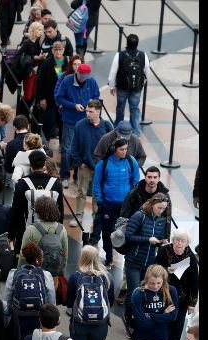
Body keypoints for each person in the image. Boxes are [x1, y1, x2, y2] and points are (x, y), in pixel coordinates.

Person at [91, 137, 140, 267]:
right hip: (108, 204)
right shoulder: (103, 164)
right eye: (121, 149)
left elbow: (136, 182)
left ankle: (127, 257)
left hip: (125, 205)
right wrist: (100, 201)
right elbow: (96, 184)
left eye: (126, 149)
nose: (124, 152)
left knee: (127, 232)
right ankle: (109, 257)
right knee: (107, 231)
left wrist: (132, 199)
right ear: (114, 149)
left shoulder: (131, 161)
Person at [123, 193, 169, 328]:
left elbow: (158, 238)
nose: (161, 211)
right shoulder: (139, 216)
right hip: (134, 261)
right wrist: (147, 239)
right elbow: (129, 236)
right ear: (152, 204)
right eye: (159, 207)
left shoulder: (162, 220)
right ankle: (129, 322)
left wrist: (162, 242)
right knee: (133, 292)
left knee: (145, 293)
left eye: (163, 208)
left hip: (149, 263)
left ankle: (139, 320)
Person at [154, 229, 198, 340]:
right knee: (163, 323)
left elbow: (195, 281)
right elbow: (153, 269)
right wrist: (164, 270)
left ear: (187, 243)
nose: (179, 243)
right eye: (177, 240)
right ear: (172, 240)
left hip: (182, 297)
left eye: (183, 241)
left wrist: (192, 303)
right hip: (163, 293)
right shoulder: (164, 251)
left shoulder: (190, 257)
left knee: (177, 326)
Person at [55, 62, 99, 187]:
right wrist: (73, 106)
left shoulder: (92, 82)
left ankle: (76, 175)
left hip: (85, 121)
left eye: (86, 76)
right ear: (77, 72)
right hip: (70, 120)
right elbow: (59, 98)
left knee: (81, 149)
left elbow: (96, 97)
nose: (84, 79)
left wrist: (91, 104)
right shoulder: (67, 80)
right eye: (82, 76)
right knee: (67, 149)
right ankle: (64, 176)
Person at [69, 99, 112, 227]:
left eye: (91, 111)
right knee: (81, 192)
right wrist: (79, 162)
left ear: (98, 111)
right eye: (87, 111)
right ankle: (79, 215)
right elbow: (74, 145)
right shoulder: (80, 125)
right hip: (84, 166)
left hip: (100, 167)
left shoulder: (107, 126)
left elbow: (112, 147)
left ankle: (96, 215)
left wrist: (106, 164)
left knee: (97, 193)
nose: (87, 113)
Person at [18, 195, 69, 281]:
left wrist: (19, 272)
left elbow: (23, 256)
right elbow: (65, 255)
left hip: (34, 276)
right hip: (54, 276)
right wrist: (62, 274)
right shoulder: (62, 229)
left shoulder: (31, 230)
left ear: (39, 212)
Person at [108, 34, 149, 137]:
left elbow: (113, 72)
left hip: (122, 87)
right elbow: (147, 72)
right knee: (135, 109)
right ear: (137, 43)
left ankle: (117, 131)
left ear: (127, 43)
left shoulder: (119, 55)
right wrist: (142, 84)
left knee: (120, 107)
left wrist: (112, 86)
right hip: (136, 88)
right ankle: (135, 133)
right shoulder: (143, 55)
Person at [35, 41, 68, 140]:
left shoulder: (68, 63)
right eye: (55, 49)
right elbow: (40, 81)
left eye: (60, 49)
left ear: (63, 50)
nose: (58, 51)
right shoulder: (47, 63)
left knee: (63, 123)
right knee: (48, 123)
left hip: (64, 99)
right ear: (52, 50)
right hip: (49, 99)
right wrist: (41, 98)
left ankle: (63, 144)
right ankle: (46, 143)